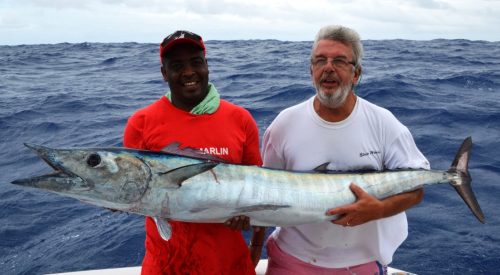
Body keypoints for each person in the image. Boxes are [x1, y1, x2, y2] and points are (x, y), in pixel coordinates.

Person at [261, 25, 430, 274]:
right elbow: (265, 192)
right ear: (311, 71)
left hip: (361, 264)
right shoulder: (283, 124)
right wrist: (254, 244)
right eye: (320, 61)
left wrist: (379, 209)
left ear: (356, 74)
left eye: (339, 61)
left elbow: (416, 190)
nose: (328, 67)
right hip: (292, 260)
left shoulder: (384, 123)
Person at [123, 30, 265, 275]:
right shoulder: (141, 122)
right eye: (177, 66)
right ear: (164, 73)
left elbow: (258, 188)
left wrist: (253, 241)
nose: (189, 72)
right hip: (166, 267)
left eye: (196, 62)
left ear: (207, 66)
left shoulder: (240, 119)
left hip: (230, 266)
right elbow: (133, 191)